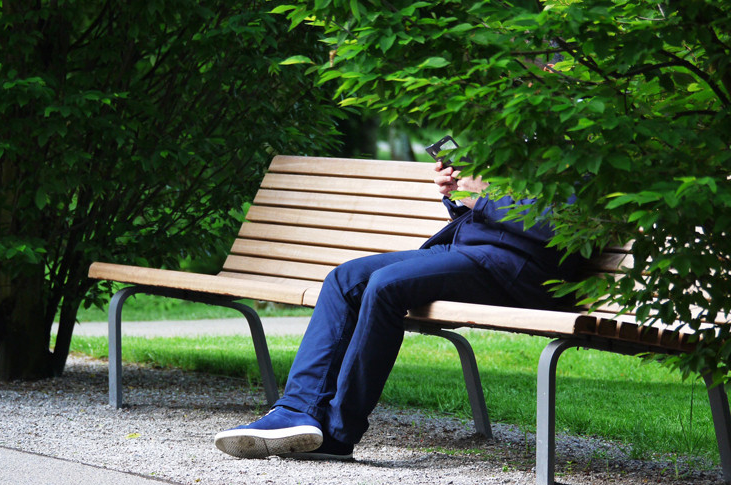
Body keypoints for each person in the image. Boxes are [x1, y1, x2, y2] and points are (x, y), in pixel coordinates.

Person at [214, 158, 580, 460]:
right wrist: (457, 194)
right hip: (468, 250)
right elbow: (490, 212)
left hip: (518, 269)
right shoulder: (519, 139)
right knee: (344, 278)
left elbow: (564, 225)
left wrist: (483, 198)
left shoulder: (586, 149)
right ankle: (296, 411)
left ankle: (338, 434)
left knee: (385, 286)